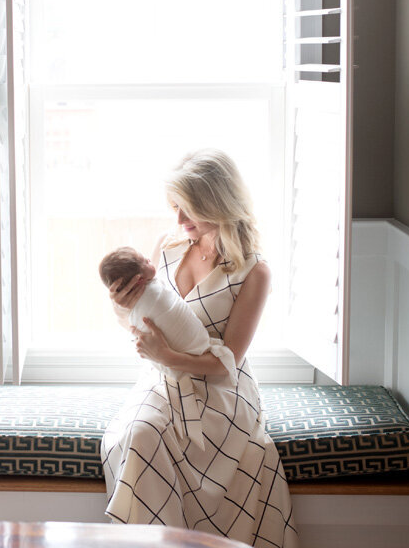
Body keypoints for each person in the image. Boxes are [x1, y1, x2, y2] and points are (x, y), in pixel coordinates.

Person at [100, 149, 298, 547]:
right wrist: (123, 307)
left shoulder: (254, 272)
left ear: (218, 204)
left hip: (220, 392)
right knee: (139, 435)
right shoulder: (169, 246)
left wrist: (167, 356)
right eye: (175, 208)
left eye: (188, 210)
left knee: (204, 455)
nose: (178, 220)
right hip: (162, 381)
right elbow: (144, 318)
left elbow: (229, 362)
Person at [98, 247, 230, 387]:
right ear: (138, 279)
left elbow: (227, 364)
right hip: (163, 377)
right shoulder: (167, 244)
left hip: (211, 372)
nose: (149, 260)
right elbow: (136, 328)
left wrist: (166, 357)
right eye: (144, 261)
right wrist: (121, 308)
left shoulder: (250, 268)